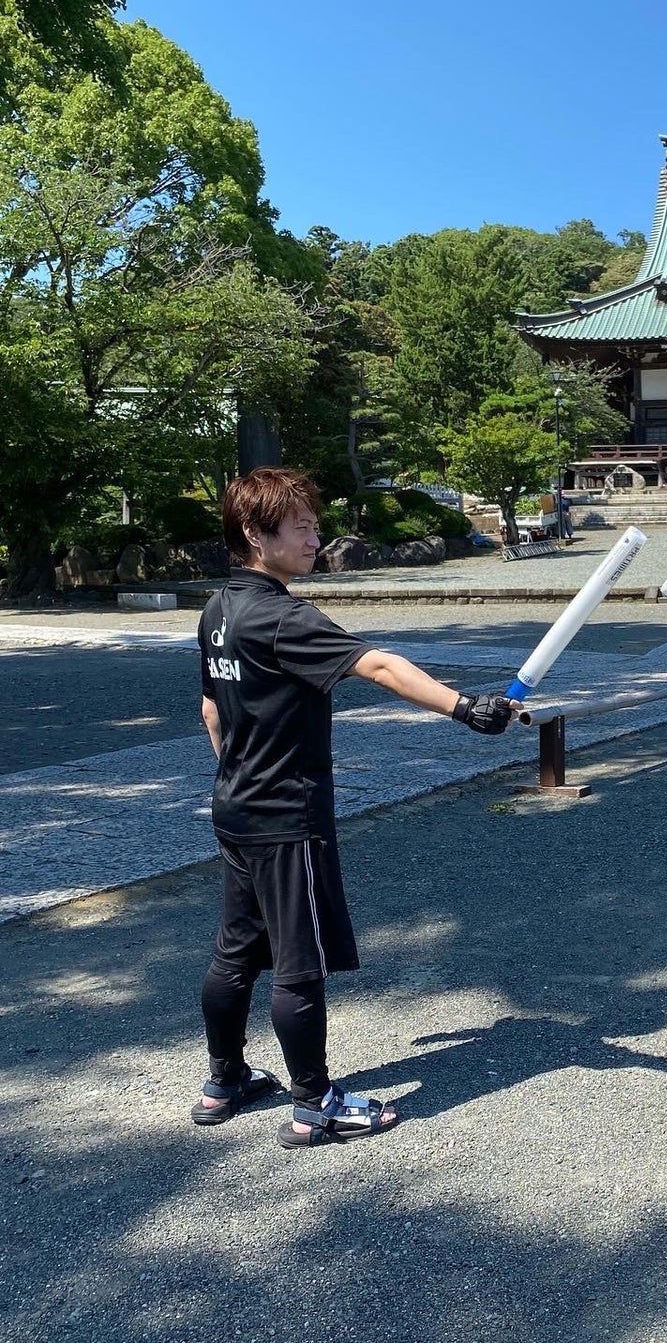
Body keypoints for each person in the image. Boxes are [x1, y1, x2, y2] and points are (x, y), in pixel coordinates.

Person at [192, 467, 516, 1148]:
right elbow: (379, 665)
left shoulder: (218, 609)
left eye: (315, 524)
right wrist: (464, 707)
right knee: (298, 961)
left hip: (236, 807)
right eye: (301, 527)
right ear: (255, 533)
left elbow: (211, 711)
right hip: (287, 816)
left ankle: (224, 1081)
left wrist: (239, 776)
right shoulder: (285, 617)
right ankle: (315, 1104)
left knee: (234, 951)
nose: (315, 539)